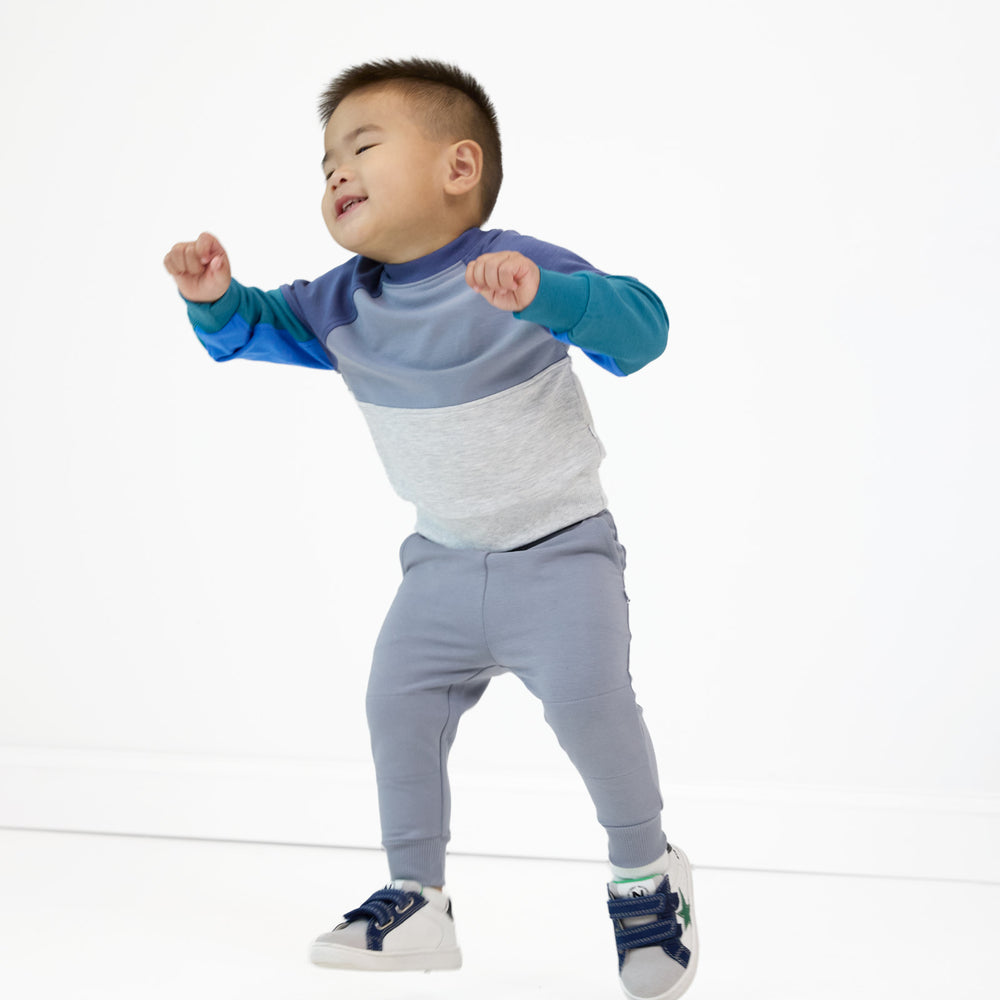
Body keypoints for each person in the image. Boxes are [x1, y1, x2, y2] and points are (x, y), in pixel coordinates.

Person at [163, 57, 698, 1000]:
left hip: (560, 557)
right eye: (326, 160)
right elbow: (254, 326)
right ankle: (415, 899)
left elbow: (644, 332)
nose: (336, 171)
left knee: (590, 707)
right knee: (395, 708)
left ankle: (646, 874)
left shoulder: (518, 268)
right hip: (439, 570)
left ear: (459, 168)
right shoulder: (343, 303)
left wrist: (547, 297)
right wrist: (213, 298)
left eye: (362, 145)